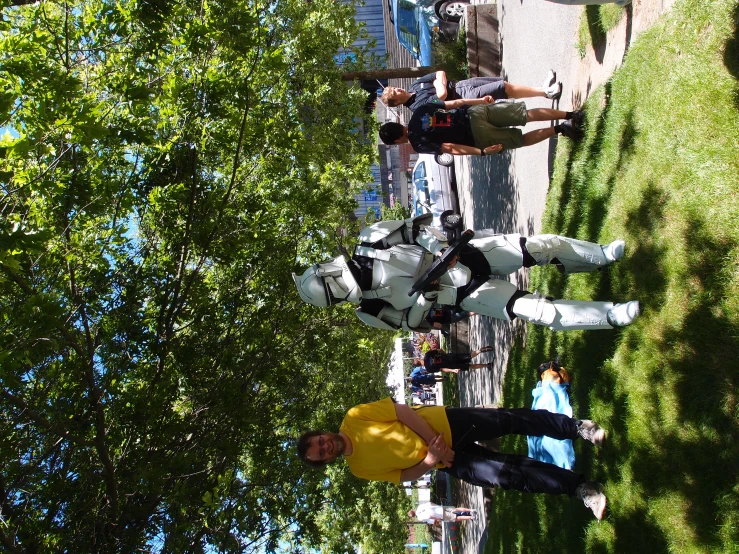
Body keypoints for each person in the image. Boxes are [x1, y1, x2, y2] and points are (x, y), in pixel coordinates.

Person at [293, 215, 640, 333]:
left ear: (327, 270)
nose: (341, 291)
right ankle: (609, 315)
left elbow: (416, 229)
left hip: (464, 254)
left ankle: (599, 255)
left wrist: (440, 249)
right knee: (538, 311)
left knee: (542, 245)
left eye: (333, 286)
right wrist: (425, 300)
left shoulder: (370, 239)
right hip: (461, 293)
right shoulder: (367, 312)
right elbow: (411, 323)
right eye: (334, 297)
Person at [297, 398, 608, 519]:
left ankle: (576, 428)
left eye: (320, 441)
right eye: (321, 453)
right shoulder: (358, 469)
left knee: (511, 421)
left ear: (321, 434)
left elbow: (402, 412)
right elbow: (402, 475)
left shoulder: (353, 416)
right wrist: (431, 460)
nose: (325, 446)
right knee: (510, 475)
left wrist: (433, 441)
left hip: (445, 423)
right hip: (448, 460)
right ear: (326, 461)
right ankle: (582, 489)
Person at [379, 98, 585, 156]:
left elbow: (449, 147)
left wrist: (481, 152)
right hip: (472, 113)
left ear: (397, 141)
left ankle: (562, 128)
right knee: (526, 115)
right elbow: (454, 103)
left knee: (520, 140)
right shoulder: (419, 111)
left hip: (477, 136)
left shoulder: (418, 144)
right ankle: (572, 114)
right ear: (398, 125)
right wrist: (479, 101)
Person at [381, 69, 562, 112]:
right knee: (503, 88)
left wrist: (439, 85)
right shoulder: (418, 107)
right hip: (464, 96)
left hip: (461, 84)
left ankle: (542, 89)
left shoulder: (414, 86)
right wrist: (439, 86)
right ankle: (546, 92)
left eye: (394, 87)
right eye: (394, 92)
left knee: (503, 84)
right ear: (396, 102)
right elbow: (443, 98)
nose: (397, 88)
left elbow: (440, 72)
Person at [416, 346, 494, 373]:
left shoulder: (429, 369)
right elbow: (439, 350)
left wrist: (453, 370)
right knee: (469, 355)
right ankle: (480, 350)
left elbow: (442, 369)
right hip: (451, 357)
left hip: (452, 365)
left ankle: (487, 365)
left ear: (419, 366)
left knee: (469, 366)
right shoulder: (427, 355)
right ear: (419, 360)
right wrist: (445, 355)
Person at [409, 502, 475, 524]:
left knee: (456, 518)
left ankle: (471, 517)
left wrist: (438, 519)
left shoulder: (420, 518)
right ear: (413, 510)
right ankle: (471, 510)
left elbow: (429, 517)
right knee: (456, 509)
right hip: (439, 508)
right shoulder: (419, 506)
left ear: (414, 516)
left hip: (440, 515)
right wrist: (437, 506)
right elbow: (430, 503)